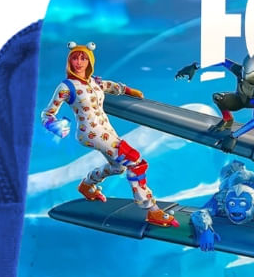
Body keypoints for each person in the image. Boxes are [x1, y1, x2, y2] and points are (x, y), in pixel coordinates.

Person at [40, 41, 178, 227]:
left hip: (106, 130)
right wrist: (55, 125)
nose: (79, 62)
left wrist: (128, 91)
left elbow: (110, 86)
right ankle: (151, 210)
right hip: (90, 133)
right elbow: (47, 113)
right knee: (136, 161)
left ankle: (87, 185)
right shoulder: (67, 87)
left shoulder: (94, 82)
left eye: (83, 58)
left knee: (118, 167)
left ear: (90, 61)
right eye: (75, 58)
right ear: (69, 61)